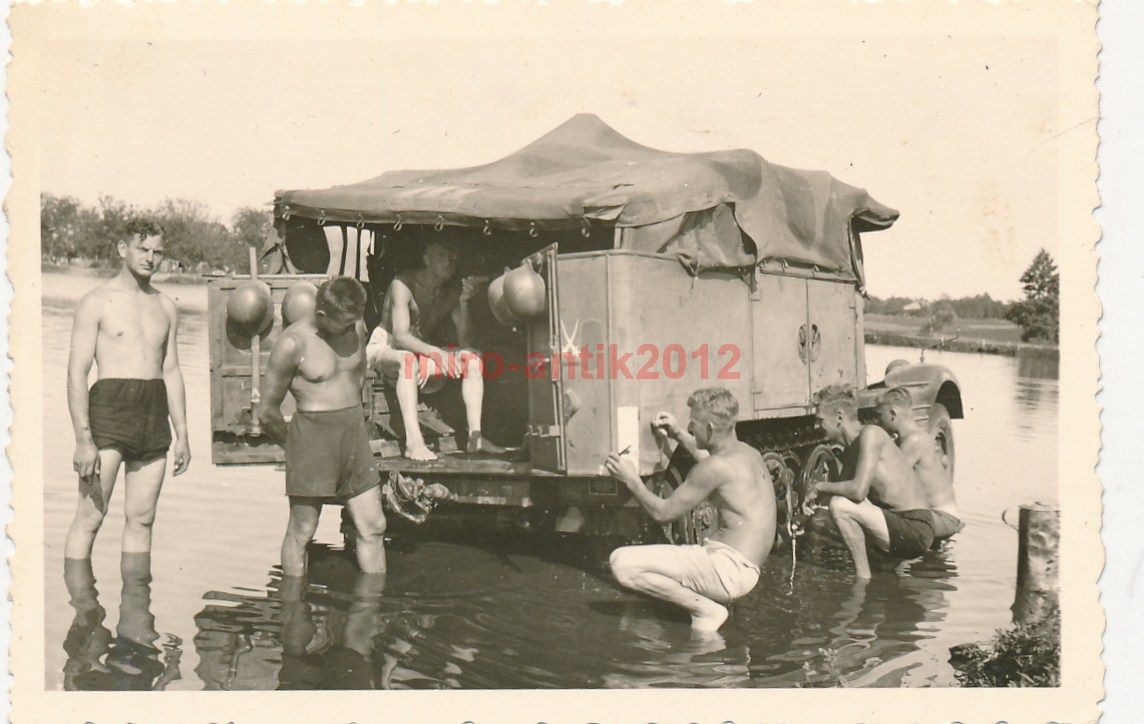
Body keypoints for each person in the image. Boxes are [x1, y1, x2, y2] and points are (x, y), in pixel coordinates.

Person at [64, 219, 191, 560]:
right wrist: (83, 440)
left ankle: (136, 609)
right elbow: (77, 373)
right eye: (142, 249)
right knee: (90, 517)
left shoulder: (166, 306)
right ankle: (82, 611)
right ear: (123, 249)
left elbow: (172, 370)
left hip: (153, 413)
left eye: (157, 252)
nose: (150, 258)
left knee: (143, 519)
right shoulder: (97, 301)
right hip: (109, 410)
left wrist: (183, 434)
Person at [604, 388, 775, 633]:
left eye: (693, 424)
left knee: (621, 563)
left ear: (710, 430)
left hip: (729, 571)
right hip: (746, 569)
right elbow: (708, 460)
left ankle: (705, 610)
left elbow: (662, 513)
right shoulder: (747, 453)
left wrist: (631, 480)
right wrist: (677, 433)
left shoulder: (715, 467)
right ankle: (710, 607)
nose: (690, 428)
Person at [258, 277, 388, 576]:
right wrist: (296, 446)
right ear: (321, 316)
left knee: (374, 526)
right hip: (312, 436)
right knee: (303, 529)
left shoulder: (355, 324)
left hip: (353, 434)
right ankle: (292, 612)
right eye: (343, 324)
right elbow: (267, 412)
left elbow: (359, 374)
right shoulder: (292, 343)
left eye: (354, 321)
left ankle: (372, 613)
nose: (350, 329)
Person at [367, 237, 502, 461]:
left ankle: (475, 437)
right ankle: (414, 443)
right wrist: (437, 353)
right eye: (442, 256)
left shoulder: (450, 292)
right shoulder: (403, 285)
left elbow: (465, 341)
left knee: (473, 358)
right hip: (386, 348)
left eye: (453, 257)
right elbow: (400, 337)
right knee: (408, 361)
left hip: (420, 351)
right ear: (426, 259)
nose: (449, 262)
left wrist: (465, 302)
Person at [803, 384, 935, 579]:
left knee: (839, 506)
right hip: (897, 525)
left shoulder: (871, 435)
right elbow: (826, 500)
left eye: (820, 420)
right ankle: (880, 572)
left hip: (915, 528)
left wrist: (819, 486)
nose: (816, 426)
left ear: (839, 417)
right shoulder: (851, 450)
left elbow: (858, 491)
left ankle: (863, 578)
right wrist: (800, 521)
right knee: (820, 518)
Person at [875, 387, 964, 541]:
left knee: (876, 519)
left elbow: (890, 481)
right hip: (936, 514)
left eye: (879, 415)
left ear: (893, 414)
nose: (878, 421)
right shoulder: (914, 437)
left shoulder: (914, 440)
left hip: (942, 517)